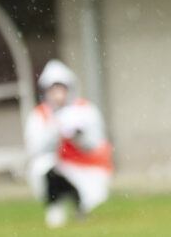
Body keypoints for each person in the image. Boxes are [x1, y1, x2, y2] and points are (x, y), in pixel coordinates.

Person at [24, 59, 112, 228]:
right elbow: (34, 148)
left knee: (87, 190)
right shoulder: (40, 115)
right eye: (53, 90)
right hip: (58, 168)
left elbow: (96, 145)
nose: (58, 95)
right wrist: (55, 131)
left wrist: (77, 135)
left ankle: (80, 208)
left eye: (61, 89)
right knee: (45, 169)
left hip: (87, 166)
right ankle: (55, 206)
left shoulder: (85, 110)